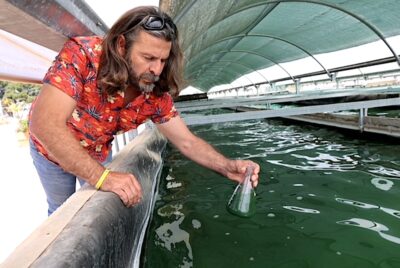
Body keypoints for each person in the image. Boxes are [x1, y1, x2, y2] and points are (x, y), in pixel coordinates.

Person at [29, 6, 260, 216]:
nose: (156, 69)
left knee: (93, 207)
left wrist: (227, 167)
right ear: (121, 46)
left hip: (98, 149)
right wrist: (101, 176)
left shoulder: (155, 93)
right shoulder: (84, 55)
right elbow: (45, 124)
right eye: (148, 58)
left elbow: (187, 142)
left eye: (163, 60)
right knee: (61, 209)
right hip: (50, 150)